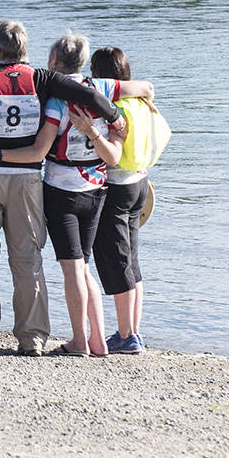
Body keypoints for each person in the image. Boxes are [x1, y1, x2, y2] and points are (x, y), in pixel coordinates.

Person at [0, 34, 149, 357]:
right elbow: (142, 91)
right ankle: (98, 340)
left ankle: (80, 341)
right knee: (83, 268)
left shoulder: (54, 100)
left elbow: (39, 151)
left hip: (62, 192)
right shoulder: (104, 90)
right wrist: (119, 118)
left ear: (53, 61)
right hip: (97, 190)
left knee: (72, 269)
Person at [91, 46, 154, 354]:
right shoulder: (141, 102)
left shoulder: (112, 106)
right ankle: (134, 330)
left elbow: (107, 151)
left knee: (117, 262)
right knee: (132, 260)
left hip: (116, 187)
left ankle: (126, 336)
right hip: (140, 183)